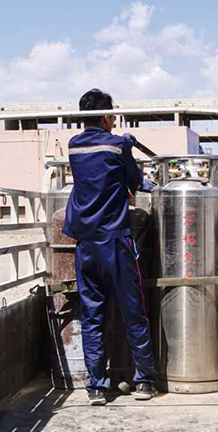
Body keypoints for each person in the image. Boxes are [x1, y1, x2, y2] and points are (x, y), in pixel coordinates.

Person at [64, 88, 157, 406]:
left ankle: (96, 387)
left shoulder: (73, 146)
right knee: (134, 312)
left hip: (85, 245)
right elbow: (133, 181)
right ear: (105, 116)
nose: (114, 119)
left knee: (91, 316)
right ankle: (145, 380)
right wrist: (128, 148)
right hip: (116, 242)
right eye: (112, 114)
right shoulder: (117, 144)